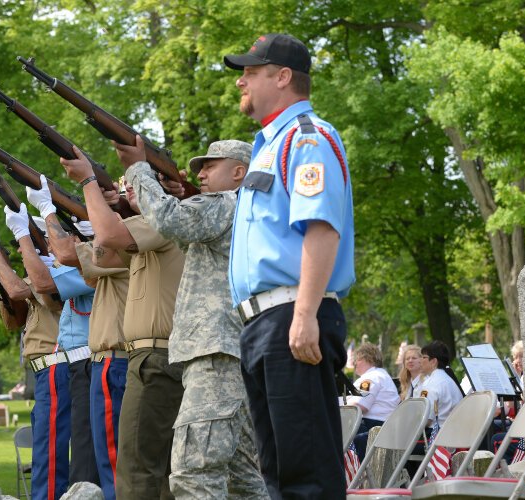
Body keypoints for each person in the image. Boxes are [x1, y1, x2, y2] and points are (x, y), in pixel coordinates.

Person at [223, 33, 355, 499]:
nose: (241, 80)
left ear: (282, 77)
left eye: (251, 72)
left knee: (307, 477)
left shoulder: (306, 139)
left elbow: (321, 229)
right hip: (264, 323)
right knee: (278, 477)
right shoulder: (267, 145)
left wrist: (303, 316)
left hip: (292, 317)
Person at [109, 137, 268, 498]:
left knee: (193, 472)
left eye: (211, 166)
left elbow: (170, 220)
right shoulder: (246, 211)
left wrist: (137, 168)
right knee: (241, 477)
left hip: (214, 355)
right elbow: (179, 229)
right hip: (230, 352)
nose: (202, 173)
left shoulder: (226, 203)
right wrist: (153, 196)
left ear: (240, 172)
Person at [59, 152, 186, 499]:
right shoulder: (154, 225)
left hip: (155, 358)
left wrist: (88, 183)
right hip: (149, 356)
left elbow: (108, 238)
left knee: (134, 468)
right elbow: (98, 251)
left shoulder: (163, 222)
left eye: (137, 180)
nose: (127, 185)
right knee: (157, 470)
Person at [27, 175, 130, 500]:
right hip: (86, 364)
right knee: (87, 461)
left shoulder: (108, 256)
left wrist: (37, 222)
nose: (50, 240)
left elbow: (46, 283)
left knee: (97, 464)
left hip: (99, 362)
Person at [0, 216, 70, 500]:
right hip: (45, 372)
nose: (19, 249)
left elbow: (19, 290)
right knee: (44, 450)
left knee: (49, 451)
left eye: (25, 242)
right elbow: (12, 320)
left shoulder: (54, 272)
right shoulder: (35, 275)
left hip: (57, 366)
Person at [5, 203, 100, 494]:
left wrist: (26, 238)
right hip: (66, 367)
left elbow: (42, 290)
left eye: (38, 243)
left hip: (73, 364)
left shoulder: (76, 268)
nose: (23, 251)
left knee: (69, 458)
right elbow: (12, 309)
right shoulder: (63, 269)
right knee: (63, 454)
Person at [346, 343, 400, 460]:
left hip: (372, 429)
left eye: (357, 359)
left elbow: (359, 407)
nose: (355, 363)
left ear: (368, 358)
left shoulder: (371, 377)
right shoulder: (379, 375)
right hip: (383, 428)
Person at [417, 341, 463, 429]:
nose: (420, 361)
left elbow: (426, 419)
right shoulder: (449, 380)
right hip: (454, 432)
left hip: (436, 435)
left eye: (423, 357)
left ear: (434, 361)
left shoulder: (430, 384)